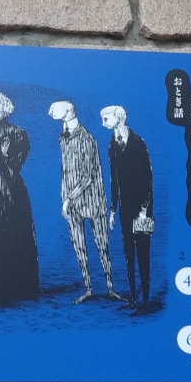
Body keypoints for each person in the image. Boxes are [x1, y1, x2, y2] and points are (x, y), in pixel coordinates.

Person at [49, 100, 120, 304]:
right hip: (71, 204)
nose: (52, 112)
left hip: (92, 201)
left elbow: (88, 176)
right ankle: (89, 289)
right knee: (79, 247)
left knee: (102, 246)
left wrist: (68, 198)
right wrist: (65, 197)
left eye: (57, 109)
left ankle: (110, 288)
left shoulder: (87, 138)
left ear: (69, 112)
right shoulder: (63, 137)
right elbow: (66, 171)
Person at [0, 92, 40, 304]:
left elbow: (16, 166)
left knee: (16, 231)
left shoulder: (18, 134)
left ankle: (19, 285)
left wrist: (4, 153)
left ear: (5, 111)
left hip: (14, 188)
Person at [101, 105, 154, 307]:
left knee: (143, 251)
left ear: (119, 118)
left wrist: (143, 210)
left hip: (143, 208)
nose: (104, 123)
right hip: (125, 207)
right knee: (128, 252)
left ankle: (146, 299)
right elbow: (114, 180)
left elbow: (148, 179)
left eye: (106, 119)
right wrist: (112, 210)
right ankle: (133, 297)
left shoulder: (138, 143)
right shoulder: (112, 145)